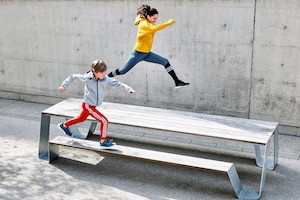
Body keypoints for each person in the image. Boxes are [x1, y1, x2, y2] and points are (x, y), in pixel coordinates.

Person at [108, 5, 189, 89]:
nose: (155, 20)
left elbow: (139, 16)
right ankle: (105, 77)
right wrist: (169, 22)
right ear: (149, 17)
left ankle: (177, 82)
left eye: (156, 18)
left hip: (146, 53)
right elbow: (155, 28)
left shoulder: (144, 19)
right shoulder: (145, 24)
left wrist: (142, 14)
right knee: (122, 71)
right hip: (137, 54)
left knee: (165, 61)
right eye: (154, 18)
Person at [58, 59, 136, 147]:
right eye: (101, 73)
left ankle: (64, 125)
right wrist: (63, 86)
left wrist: (129, 88)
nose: (103, 74)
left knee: (81, 119)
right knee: (104, 121)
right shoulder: (87, 77)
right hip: (88, 105)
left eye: (104, 72)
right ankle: (103, 141)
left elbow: (118, 83)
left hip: (91, 105)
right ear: (94, 71)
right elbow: (73, 76)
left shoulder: (105, 79)